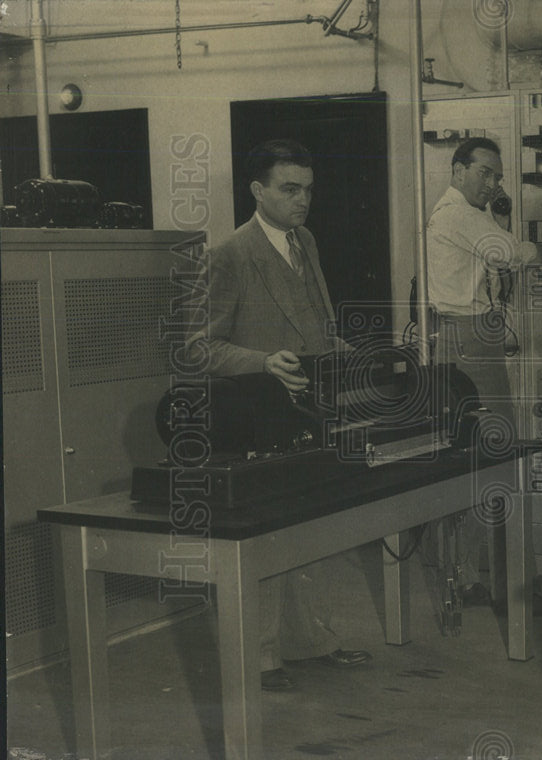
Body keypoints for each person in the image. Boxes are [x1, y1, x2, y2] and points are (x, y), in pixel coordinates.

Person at [184, 138, 372, 691]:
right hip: (257, 418)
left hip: (310, 411)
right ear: (257, 190)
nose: (302, 200)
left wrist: (346, 353)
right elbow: (197, 347)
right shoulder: (229, 255)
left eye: (308, 190)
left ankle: (310, 639)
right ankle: (260, 655)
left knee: (308, 530)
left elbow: (319, 322)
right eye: (290, 189)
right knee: (263, 540)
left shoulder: (304, 241)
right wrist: (263, 362)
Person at [426, 137, 542, 617]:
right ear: (458, 170)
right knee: (504, 460)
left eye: (498, 176)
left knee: (472, 463)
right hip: (470, 341)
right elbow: (511, 254)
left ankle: (468, 580)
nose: (493, 183)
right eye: (484, 173)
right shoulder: (457, 215)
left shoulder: (470, 213)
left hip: (465, 338)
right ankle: (514, 590)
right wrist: (538, 247)